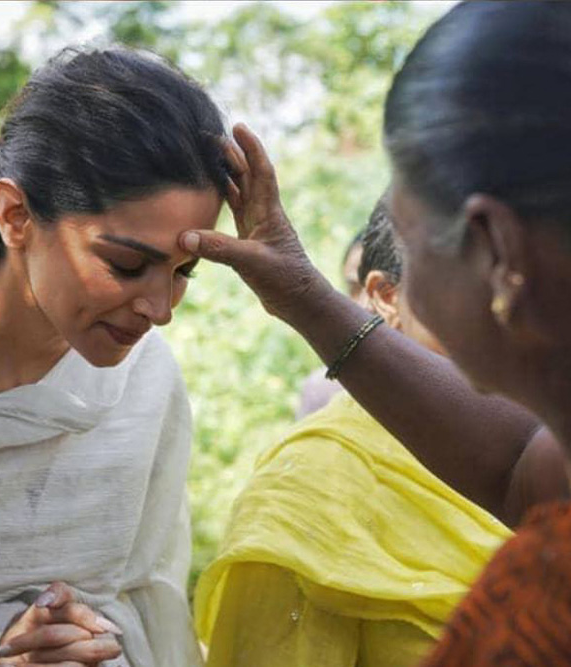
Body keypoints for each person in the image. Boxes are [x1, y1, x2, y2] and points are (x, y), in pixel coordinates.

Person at [177, 3, 571, 663]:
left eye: (410, 238)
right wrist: (306, 298)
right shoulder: (319, 480)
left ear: (496, 248)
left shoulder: (538, 604)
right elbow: (518, 467)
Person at [0, 46, 235, 667]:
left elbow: (145, 596)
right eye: (126, 265)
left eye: (185, 271)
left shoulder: (149, 380)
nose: (160, 309)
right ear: (15, 215)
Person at [194, 196, 511, 667]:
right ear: (385, 296)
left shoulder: (549, 450)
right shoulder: (310, 491)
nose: (505, 309)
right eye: (470, 284)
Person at [294, 228, 365, 418]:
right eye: (355, 288)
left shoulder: (442, 383)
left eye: (382, 288)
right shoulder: (323, 390)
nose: (366, 303)